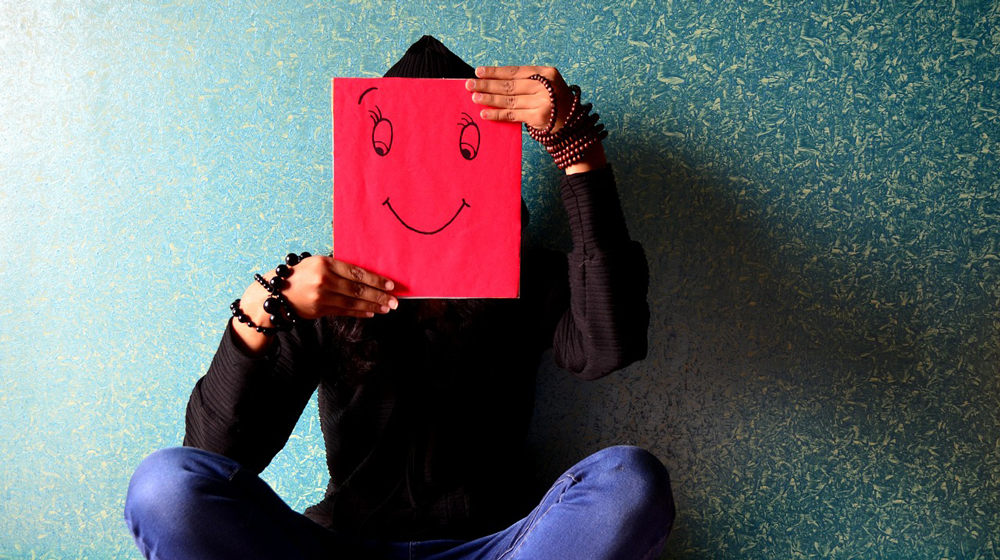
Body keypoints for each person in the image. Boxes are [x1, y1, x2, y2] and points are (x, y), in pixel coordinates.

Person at [125, 35, 674, 560]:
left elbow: (609, 345)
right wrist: (264, 306)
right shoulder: (326, 292)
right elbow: (212, 455)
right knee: (162, 486)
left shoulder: (525, 278)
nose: (429, 185)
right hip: (340, 547)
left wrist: (575, 143)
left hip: (494, 546)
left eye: (458, 151)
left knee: (631, 482)